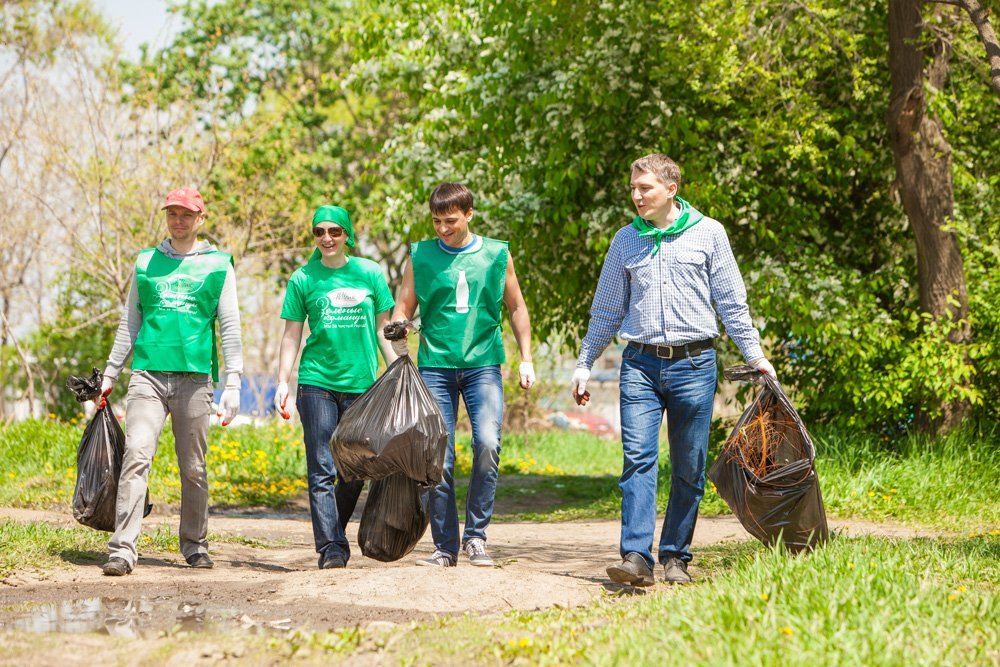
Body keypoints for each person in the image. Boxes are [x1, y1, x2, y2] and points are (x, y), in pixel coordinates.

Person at [572, 154, 776, 586]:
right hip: (640, 365)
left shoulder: (709, 234)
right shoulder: (625, 241)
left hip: (695, 365)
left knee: (689, 465)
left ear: (671, 189)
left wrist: (755, 355)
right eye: (632, 188)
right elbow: (607, 310)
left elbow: (731, 303)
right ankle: (635, 557)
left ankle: (675, 556)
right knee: (638, 459)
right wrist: (584, 363)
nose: (636, 195)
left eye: (644, 188)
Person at [99, 187, 244, 576]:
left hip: (195, 379)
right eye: (172, 214)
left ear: (200, 218)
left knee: (193, 466)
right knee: (137, 456)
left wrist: (234, 382)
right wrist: (112, 372)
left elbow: (229, 324)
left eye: (186, 214)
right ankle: (123, 549)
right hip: (148, 374)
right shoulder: (146, 263)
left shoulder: (218, 265)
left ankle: (195, 545)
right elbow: (131, 322)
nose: (178, 221)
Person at [389, 182, 534, 568]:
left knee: (487, 445)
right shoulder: (419, 255)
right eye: (436, 221)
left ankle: (476, 538)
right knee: (440, 458)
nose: (442, 228)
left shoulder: (495, 254)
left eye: (450, 221)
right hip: (435, 366)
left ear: (469, 214)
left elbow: (517, 307)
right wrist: (398, 325)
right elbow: (403, 307)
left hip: (483, 364)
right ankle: (444, 547)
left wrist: (526, 358)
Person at [274, 205, 398, 569]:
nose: (327, 238)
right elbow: (291, 334)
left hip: (362, 384)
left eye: (334, 231)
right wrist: (282, 380)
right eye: (319, 232)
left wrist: (400, 371)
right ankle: (331, 547)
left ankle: (335, 532)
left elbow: (382, 328)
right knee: (321, 465)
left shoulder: (370, 273)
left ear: (347, 235)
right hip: (316, 382)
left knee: (357, 467)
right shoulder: (303, 278)